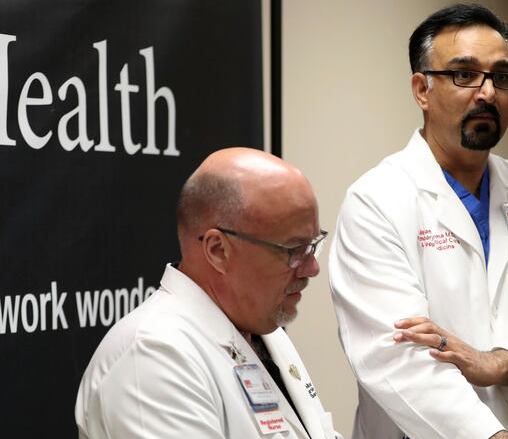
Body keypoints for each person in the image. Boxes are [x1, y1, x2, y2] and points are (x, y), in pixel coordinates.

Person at [329, 4, 508, 439]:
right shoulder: (377, 200)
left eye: (500, 76)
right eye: (464, 75)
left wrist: (497, 362)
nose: (487, 93)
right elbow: (399, 362)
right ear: (422, 89)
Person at [76, 148, 341, 439]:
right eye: (294, 250)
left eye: (313, 245)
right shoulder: (153, 358)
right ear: (218, 250)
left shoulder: (263, 331)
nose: (312, 268)